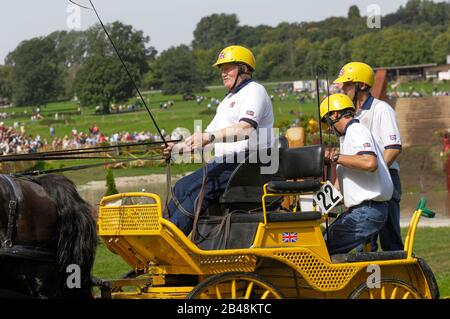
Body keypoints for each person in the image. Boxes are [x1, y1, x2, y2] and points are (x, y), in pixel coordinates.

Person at [162, 45, 274, 236]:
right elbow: (206, 136)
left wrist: (208, 137)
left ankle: (171, 239)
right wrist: (177, 148)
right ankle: (162, 231)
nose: (223, 73)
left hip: (250, 162)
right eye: (221, 69)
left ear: (244, 68)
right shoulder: (227, 100)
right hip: (229, 163)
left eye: (228, 68)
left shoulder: (255, 91)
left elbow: (245, 128)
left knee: (198, 191)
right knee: (182, 187)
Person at [334, 62, 403, 252]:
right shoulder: (348, 116)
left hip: (385, 182)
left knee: (391, 242)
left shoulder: (382, 109)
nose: (341, 88)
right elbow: (347, 159)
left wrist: (377, 173)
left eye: (347, 84)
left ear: (362, 85)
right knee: (362, 246)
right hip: (362, 185)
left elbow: (393, 147)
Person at [320, 94, 393, 255]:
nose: (329, 127)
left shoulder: (356, 130)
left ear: (335, 114)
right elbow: (340, 184)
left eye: (327, 121)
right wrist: (316, 207)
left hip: (366, 210)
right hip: (364, 210)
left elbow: (369, 162)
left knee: (319, 249)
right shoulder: (348, 137)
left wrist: (335, 157)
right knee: (320, 241)